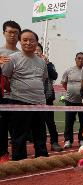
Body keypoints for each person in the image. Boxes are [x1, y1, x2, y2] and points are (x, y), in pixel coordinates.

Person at [1, 29, 49, 160]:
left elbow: (43, 79)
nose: (28, 43)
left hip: (39, 103)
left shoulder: (41, 62)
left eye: (32, 40)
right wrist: (15, 92)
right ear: (20, 42)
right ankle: (19, 160)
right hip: (19, 102)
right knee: (19, 136)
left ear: (36, 42)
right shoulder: (12, 59)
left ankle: (42, 158)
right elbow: (5, 78)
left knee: (40, 134)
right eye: (25, 40)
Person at [35, 43, 63, 152]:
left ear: (42, 52)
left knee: (50, 122)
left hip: (46, 97)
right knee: (34, 122)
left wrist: (46, 63)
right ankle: (37, 143)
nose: (36, 52)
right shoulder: (28, 63)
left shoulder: (49, 64)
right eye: (34, 50)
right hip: (32, 97)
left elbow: (54, 76)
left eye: (38, 50)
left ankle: (54, 142)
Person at [0, 20, 21, 163]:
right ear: (3, 33)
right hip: (1, 97)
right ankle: (3, 155)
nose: (12, 35)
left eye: (15, 33)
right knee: (1, 128)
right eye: (9, 32)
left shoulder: (22, 54)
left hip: (17, 96)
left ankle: (18, 156)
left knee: (17, 129)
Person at [61, 52, 83, 148]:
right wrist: (71, 91)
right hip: (70, 101)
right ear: (75, 59)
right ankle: (68, 140)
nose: (80, 60)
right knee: (69, 121)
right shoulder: (69, 71)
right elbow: (64, 83)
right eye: (79, 58)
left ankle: (82, 140)